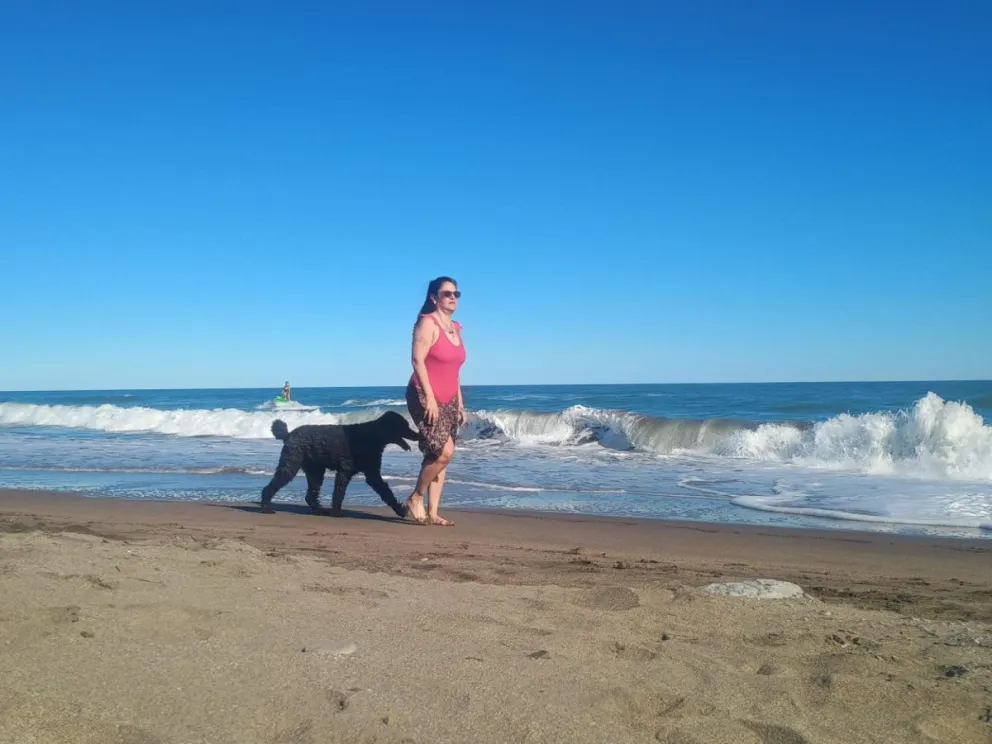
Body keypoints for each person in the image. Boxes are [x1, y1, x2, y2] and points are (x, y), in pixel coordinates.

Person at [404, 276, 467, 526]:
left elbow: (455, 371)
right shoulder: (426, 324)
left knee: (441, 455)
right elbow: (417, 361)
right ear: (434, 298)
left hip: (450, 398)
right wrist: (429, 398)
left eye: (456, 294)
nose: (453, 297)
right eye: (446, 293)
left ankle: (432, 512)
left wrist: (460, 403)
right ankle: (416, 498)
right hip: (423, 393)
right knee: (443, 452)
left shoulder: (456, 328)